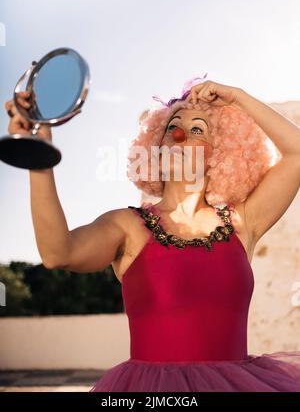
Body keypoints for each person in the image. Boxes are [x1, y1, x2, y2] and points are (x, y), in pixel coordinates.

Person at [5, 74, 300, 392]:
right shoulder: (125, 226)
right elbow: (57, 253)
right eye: (174, 125)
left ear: (219, 153)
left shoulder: (242, 222)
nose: (179, 133)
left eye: (197, 129)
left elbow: (296, 153)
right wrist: (39, 159)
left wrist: (238, 96)